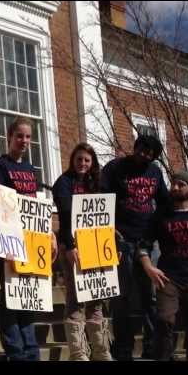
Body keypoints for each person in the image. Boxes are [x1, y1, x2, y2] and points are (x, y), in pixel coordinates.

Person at [138, 171, 188, 361]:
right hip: (169, 278)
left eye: (180, 184)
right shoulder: (161, 215)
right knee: (164, 321)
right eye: (173, 184)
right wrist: (149, 268)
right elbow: (143, 246)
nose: (174, 187)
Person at [0, 117, 50, 361]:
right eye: (19, 136)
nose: (24, 141)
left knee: (28, 296)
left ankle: (31, 350)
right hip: (9, 243)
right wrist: (5, 246)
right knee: (12, 298)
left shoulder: (31, 170)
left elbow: (35, 208)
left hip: (32, 243)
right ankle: (16, 351)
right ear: (9, 137)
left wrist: (48, 238)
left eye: (28, 137)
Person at [101, 134, 169, 361]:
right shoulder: (115, 168)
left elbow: (164, 203)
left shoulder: (155, 172)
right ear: (135, 147)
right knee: (121, 297)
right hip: (121, 240)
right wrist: (109, 229)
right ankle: (122, 349)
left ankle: (152, 346)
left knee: (151, 296)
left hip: (149, 244)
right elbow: (101, 198)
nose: (144, 155)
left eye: (149, 154)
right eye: (141, 150)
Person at [53, 142, 113, 361]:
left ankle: (101, 351)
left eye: (87, 160)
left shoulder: (98, 183)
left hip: (96, 247)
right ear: (72, 160)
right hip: (72, 246)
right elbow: (66, 217)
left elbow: (106, 215)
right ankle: (79, 353)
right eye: (79, 159)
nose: (83, 164)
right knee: (75, 299)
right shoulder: (63, 183)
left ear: (92, 163)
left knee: (96, 298)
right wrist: (69, 247)